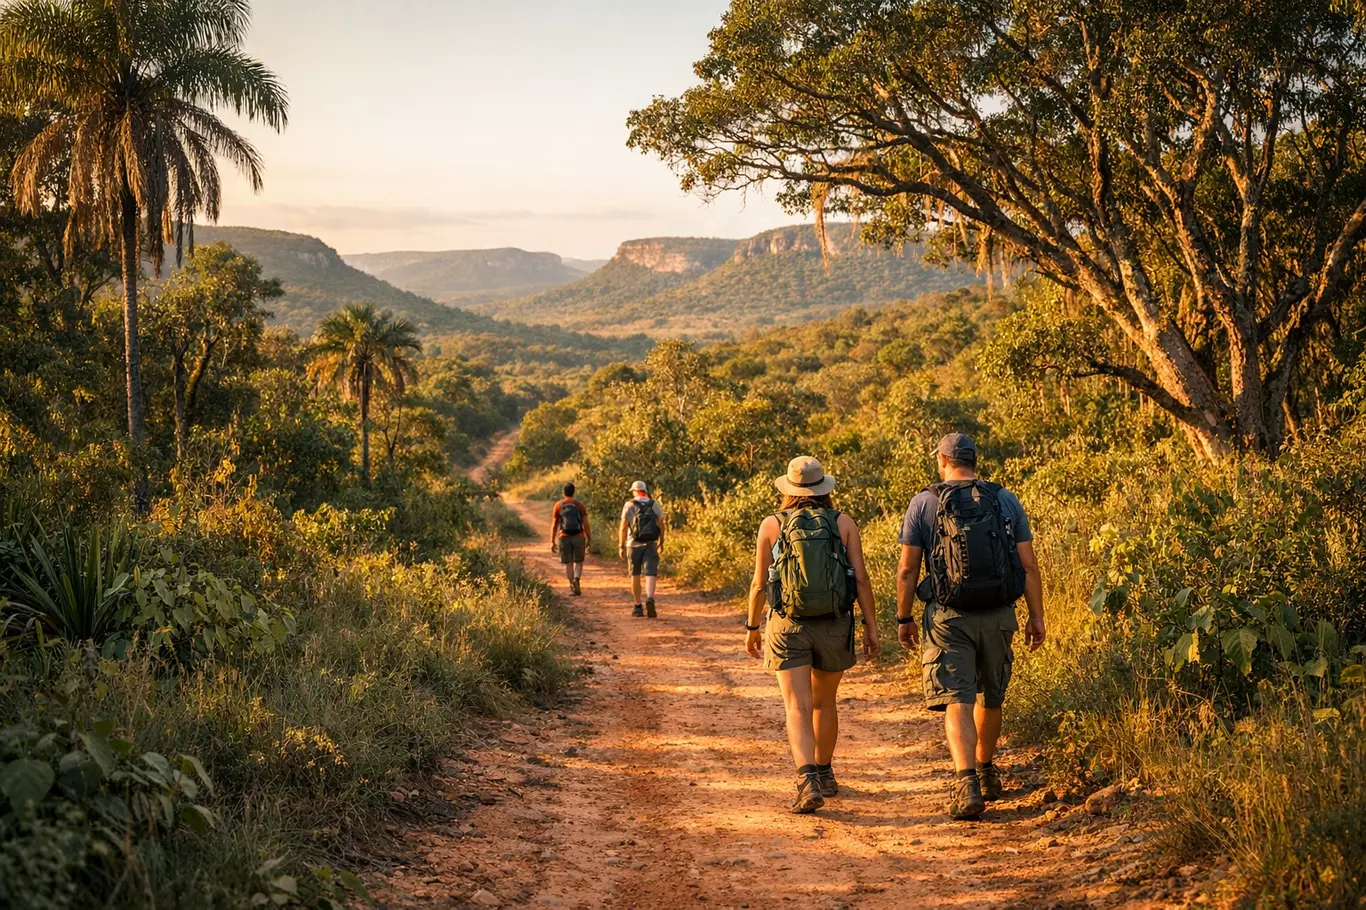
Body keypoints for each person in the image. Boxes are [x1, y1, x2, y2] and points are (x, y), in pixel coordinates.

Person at [895, 433, 1045, 821]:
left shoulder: (924, 502)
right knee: (991, 695)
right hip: (999, 612)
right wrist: (1036, 615)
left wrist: (904, 617)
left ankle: (967, 784)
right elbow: (1028, 564)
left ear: (943, 460)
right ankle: (986, 769)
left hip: (949, 616)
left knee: (957, 695)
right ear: (974, 460)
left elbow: (909, 569)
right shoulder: (1004, 498)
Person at [745, 456, 879, 814]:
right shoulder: (843, 522)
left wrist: (752, 626)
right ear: (825, 489)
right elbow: (860, 579)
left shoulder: (772, 524)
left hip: (787, 624)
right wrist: (872, 626)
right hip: (834, 622)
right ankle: (825, 772)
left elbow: (760, 583)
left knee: (797, 706)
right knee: (824, 702)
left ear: (788, 489)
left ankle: (806, 781)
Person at [618, 481, 665, 618]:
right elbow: (661, 524)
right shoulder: (653, 504)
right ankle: (650, 597)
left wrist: (621, 545)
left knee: (635, 574)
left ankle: (638, 606)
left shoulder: (629, 505)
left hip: (633, 544)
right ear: (644, 490)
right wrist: (661, 541)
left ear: (634, 491)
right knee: (651, 572)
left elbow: (623, 526)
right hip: (651, 542)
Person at [550, 483, 591, 596]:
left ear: (563, 492)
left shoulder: (558, 505)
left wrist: (552, 541)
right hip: (579, 535)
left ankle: (572, 585)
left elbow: (554, 525)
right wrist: (589, 538)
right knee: (578, 561)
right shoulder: (579, 505)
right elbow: (586, 524)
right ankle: (577, 579)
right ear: (574, 492)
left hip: (564, 536)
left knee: (568, 563)